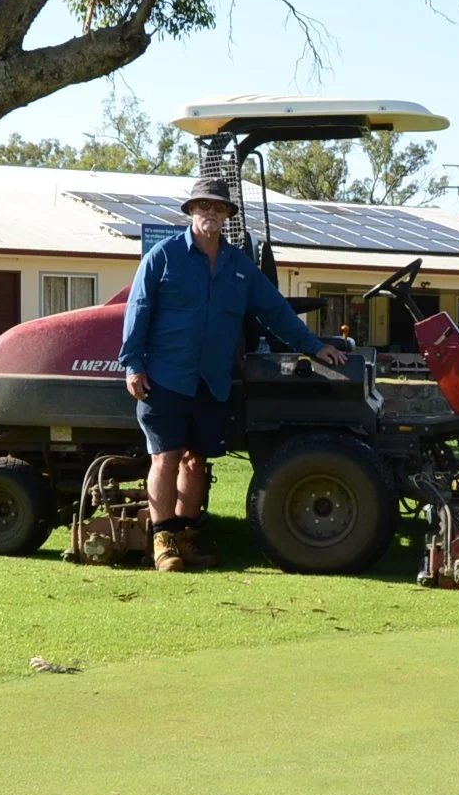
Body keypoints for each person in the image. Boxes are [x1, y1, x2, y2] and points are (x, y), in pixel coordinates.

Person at [121, 176, 348, 571]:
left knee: (196, 461)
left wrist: (314, 346)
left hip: (212, 380)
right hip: (165, 377)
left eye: (218, 207)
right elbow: (137, 310)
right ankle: (162, 543)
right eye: (203, 206)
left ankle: (187, 540)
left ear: (227, 215)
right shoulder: (163, 256)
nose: (211, 212)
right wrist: (133, 363)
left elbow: (275, 311)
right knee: (166, 457)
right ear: (191, 211)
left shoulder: (239, 267)